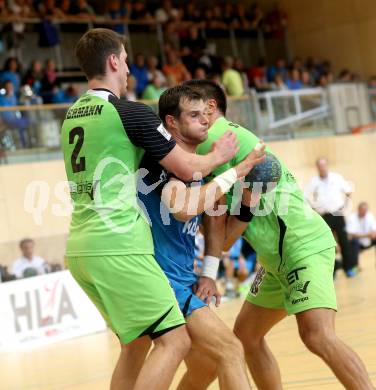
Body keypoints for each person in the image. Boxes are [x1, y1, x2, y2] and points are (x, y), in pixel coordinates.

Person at [60, 29, 239, 390]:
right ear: (113, 61)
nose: (129, 71)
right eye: (126, 61)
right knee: (175, 341)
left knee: (137, 344)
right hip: (119, 244)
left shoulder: (71, 116)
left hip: (81, 248)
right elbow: (188, 168)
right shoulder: (128, 112)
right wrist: (222, 157)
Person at [186, 79, 374, 390]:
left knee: (317, 335)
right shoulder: (221, 160)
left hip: (302, 246)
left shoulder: (217, 137)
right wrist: (210, 266)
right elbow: (226, 235)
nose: (190, 120)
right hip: (275, 261)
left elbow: (178, 160)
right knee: (246, 337)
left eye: (193, 111)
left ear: (209, 108)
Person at [118, 84, 265, 390]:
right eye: (194, 115)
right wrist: (237, 171)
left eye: (205, 115)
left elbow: (217, 227)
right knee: (230, 350)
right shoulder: (161, 160)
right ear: (172, 122)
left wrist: (210, 272)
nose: (204, 121)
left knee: (205, 364)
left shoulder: (202, 166)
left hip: (179, 278)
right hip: (160, 278)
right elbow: (184, 209)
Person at [304, 157, 356, 276]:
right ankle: (331, 272)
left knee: (344, 242)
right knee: (327, 245)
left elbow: (348, 191)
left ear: (327, 165)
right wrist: (313, 209)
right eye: (320, 166)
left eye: (324, 165)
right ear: (317, 167)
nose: (322, 168)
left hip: (338, 213)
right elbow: (305, 197)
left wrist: (345, 205)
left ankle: (349, 268)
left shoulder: (336, 178)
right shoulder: (313, 182)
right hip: (324, 216)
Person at [347, 202, 376, 267]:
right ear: (358, 209)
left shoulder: (370, 216)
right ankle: (355, 265)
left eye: (366, 210)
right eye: (363, 210)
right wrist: (366, 235)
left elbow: (374, 229)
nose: (364, 212)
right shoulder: (352, 217)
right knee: (354, 240)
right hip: (357, 243)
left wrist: (373, 234)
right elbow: (351, 234)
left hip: (368, 241)